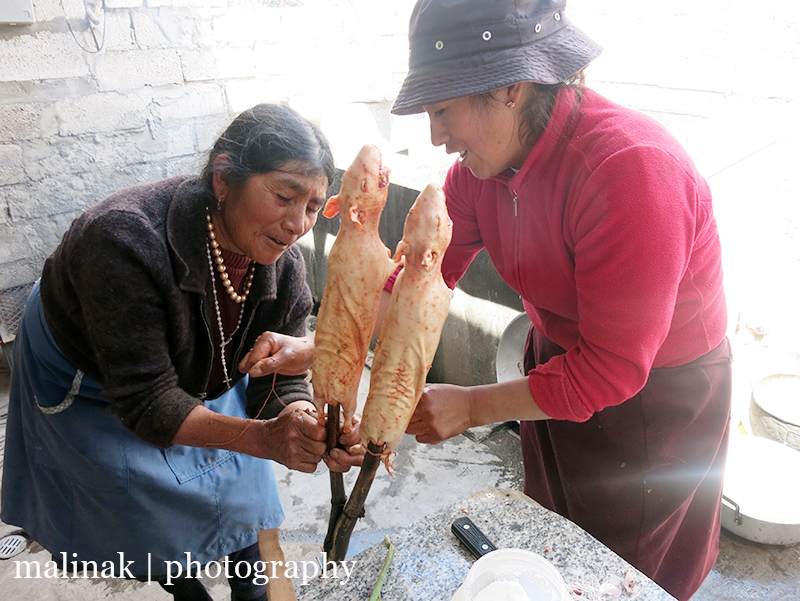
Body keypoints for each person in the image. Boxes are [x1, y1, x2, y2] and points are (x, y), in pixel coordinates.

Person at [391, 1, 731, 599]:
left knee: (623, 571)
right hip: (555, 365)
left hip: (657, 396)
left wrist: (470, 406)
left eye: (442, 110)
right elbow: (424, 276)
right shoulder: (479, 171)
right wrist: (329, 347)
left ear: (511, 88)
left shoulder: (631, 170)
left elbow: (611, 369)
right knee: (553, 530)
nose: (436, 137)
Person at [1, 103, 361, 601]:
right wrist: (264, 438)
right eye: (284, 196)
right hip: (90, 357)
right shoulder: (122, 242)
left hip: (194, 358)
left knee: (242, 481)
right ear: (222, 179)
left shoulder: (283, 267)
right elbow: (147, 402)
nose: (298, 224)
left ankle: (252, 589)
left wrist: (298, 419)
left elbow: (280, 375)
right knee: (134, 490)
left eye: (313, 207)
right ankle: (183, 586)